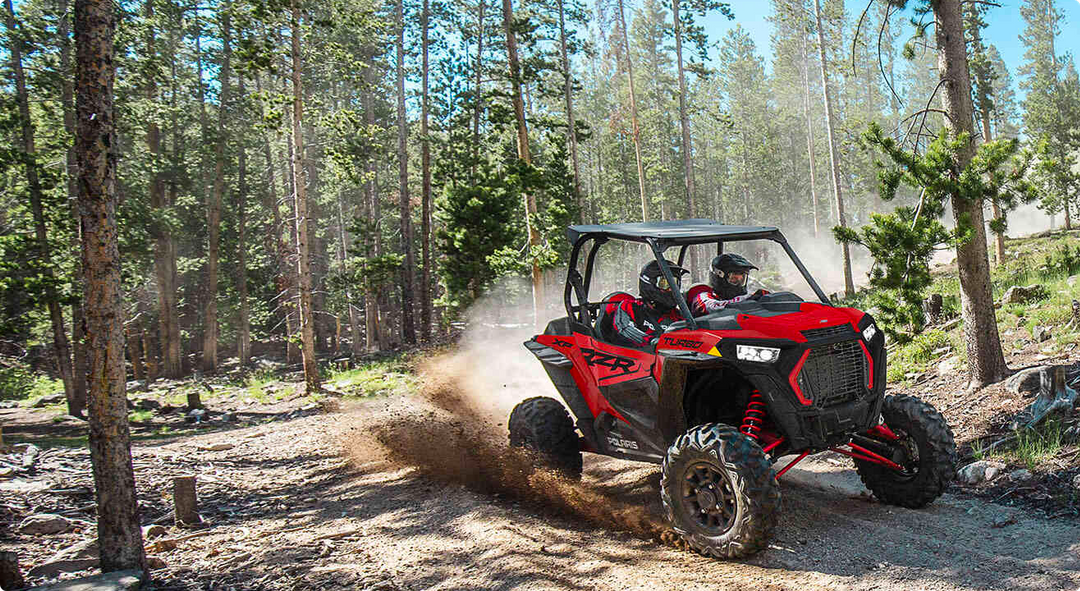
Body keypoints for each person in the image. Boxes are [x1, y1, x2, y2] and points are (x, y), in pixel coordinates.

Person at [601, 259, 688, 347]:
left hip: (668, 358)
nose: (671, 289)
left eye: (674, 283)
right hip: (632, 356)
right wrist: (653, 342)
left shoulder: (677, 316)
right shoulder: (630, 307)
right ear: (649, 282)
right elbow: (625, 329)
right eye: (664, 283)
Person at [686, 253, 767, 316]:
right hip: (709, 335)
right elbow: (711, 307)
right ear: (719, 277)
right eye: (733, 279)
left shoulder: (740, 297)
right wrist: (748, 299)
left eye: (742, 279)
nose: (738, 284)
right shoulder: (702, 296)